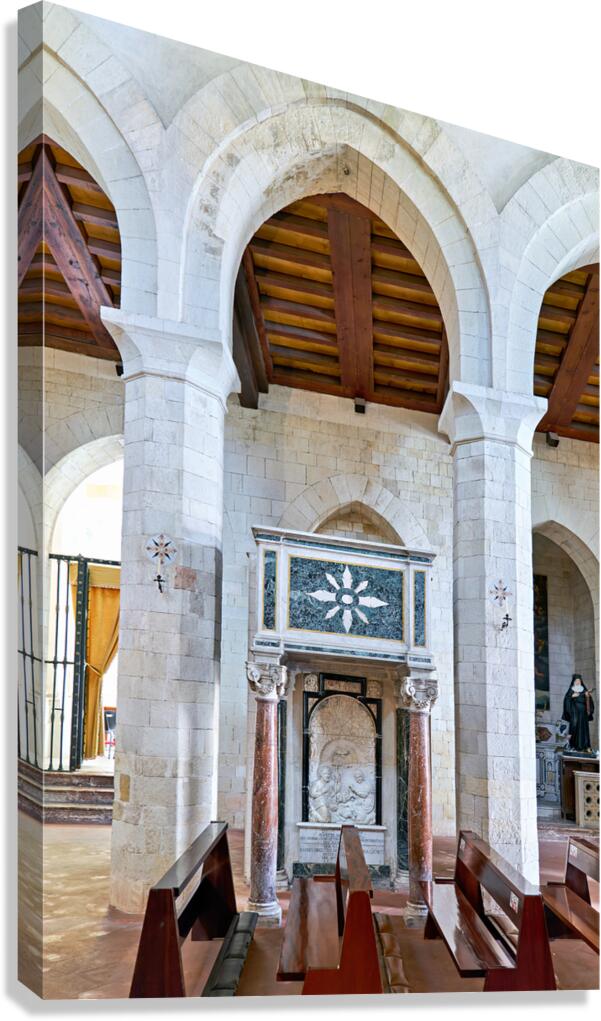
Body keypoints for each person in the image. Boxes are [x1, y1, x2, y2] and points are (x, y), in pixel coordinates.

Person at [562, 674, 595, 753]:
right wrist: (572, 696)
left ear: (581, 682)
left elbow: (589, 702)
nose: (578, 682)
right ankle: (574, 746)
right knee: (574, 727)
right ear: (574, 682)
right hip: (574, 713)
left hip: (583, 714)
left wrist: (587, 696)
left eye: (579, 681)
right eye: (576, 681)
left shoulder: (584, 690)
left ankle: (585, 746)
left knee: (584, 729)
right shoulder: (571, 690)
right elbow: (566, 700)